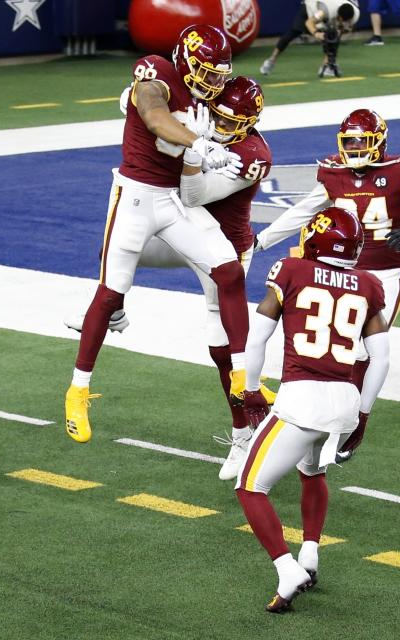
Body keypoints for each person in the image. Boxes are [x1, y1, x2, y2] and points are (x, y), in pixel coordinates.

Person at [64, 24, 252, 444]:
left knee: (228, 269)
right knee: (111, 291)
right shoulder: (158, 73)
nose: (215, 83)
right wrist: (198, 145)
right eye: (209, 73)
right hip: (133, 196)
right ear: (185, 61)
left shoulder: (207, 95)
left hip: (173, 200)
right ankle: (78, 390)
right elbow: (154, 115)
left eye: (221, 75)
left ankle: (241, 374)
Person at [235, 207, 390, 613]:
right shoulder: (370, 284)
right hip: (344, 400)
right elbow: (381, 359)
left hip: (302, 397)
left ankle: (287, 569)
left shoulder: (291, 269)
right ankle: (310, 553)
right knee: (312, 470)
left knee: (249, 486)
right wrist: (365, 415)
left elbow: (258, 337)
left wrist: (251, 389)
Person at [128, 76, 279, 480]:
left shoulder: (253, 153)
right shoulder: (198, 118)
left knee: (221, 346)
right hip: (182, 234)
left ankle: (247, 429)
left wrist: (193, 152)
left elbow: (194, 195)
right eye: (218, 118)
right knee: (121, 248)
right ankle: (111, 311)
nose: (222, 127)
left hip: (223, 249)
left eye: (233, 123)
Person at [256, 108, 400, 388]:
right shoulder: (333, 172)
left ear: (380, 141)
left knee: (364, 349)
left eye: (363, 141)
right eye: (349, 142)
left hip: (387, 273)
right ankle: (322, 398)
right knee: (331, 343)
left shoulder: (399, 171)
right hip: (342, 270)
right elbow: (302, 212)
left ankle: (354, 415)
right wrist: (262, 240)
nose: (355, 148)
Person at [259, 0, 360, 78]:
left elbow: (342, 31)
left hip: (329, 10)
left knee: (333, 36)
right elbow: (309, 22)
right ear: (338, 16)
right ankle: (271, 60)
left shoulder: (354, 14)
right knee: (292, 33)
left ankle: (328, 66)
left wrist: (342, 30)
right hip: (311, 6)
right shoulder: (324, 11)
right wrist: (317, 34)